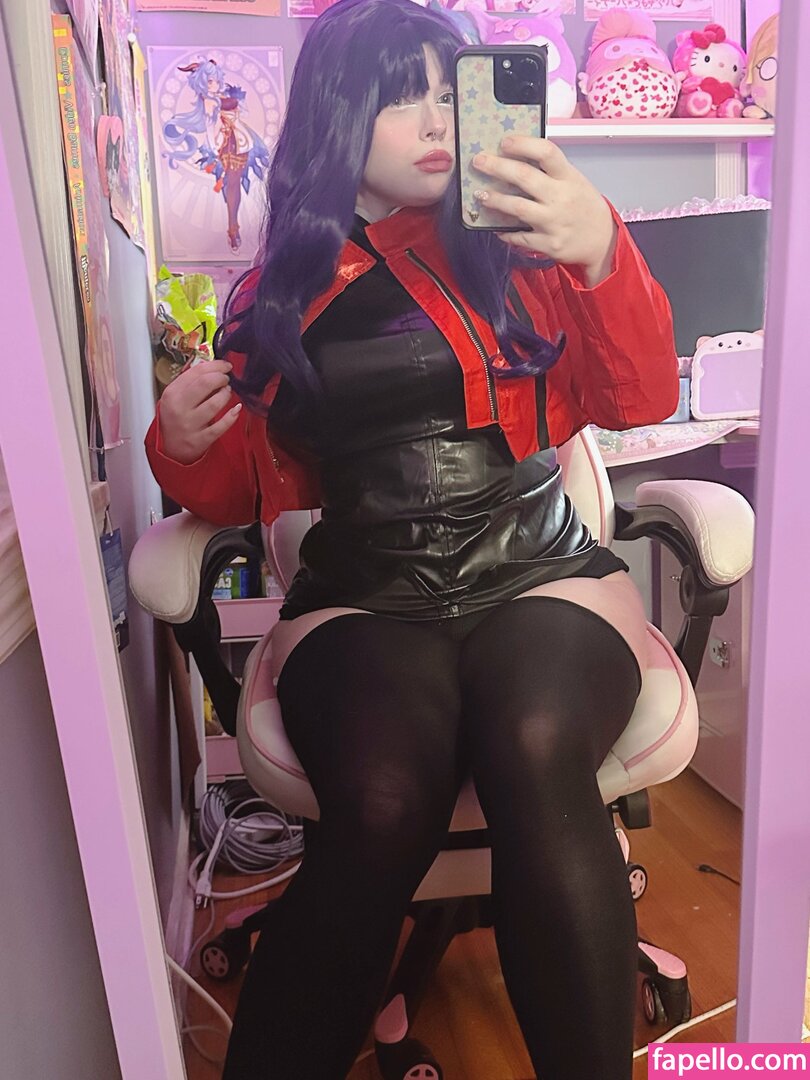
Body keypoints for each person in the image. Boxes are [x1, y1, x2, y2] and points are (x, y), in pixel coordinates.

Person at [146, 0, 679, 1075]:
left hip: (537, 572)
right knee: (383, 800)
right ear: (338, 118)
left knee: (536, 740)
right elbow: (239, 488)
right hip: (366, 590)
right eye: (403, 97)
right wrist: (177, 442)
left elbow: (642, 396)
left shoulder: (526, 243)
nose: (439, 119)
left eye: (451, 91)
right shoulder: (277, 294)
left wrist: (602, 252)